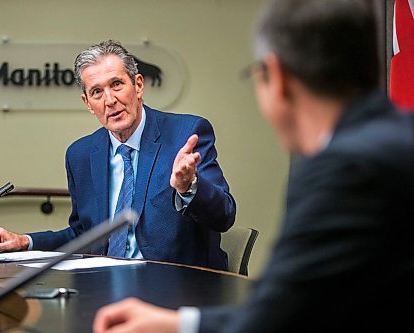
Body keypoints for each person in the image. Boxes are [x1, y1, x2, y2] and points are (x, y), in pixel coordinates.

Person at [92, 0, 414, 332]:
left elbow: (279, 317)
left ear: (278, 77)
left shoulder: (343, 171)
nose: (110, 99)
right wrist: (178, 322)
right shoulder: (396, 139)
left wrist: (179, 326)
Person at [0, 40, 236, 270]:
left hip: (175, 287)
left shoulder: (185, 134)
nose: (110, 100)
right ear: (87, 103)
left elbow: (224, 215)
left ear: (137, 86)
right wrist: (25, 241)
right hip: (104, 286)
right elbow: (84, 235)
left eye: (116, 84)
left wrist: (188, 187)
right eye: (97, 92)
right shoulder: (80, 154)